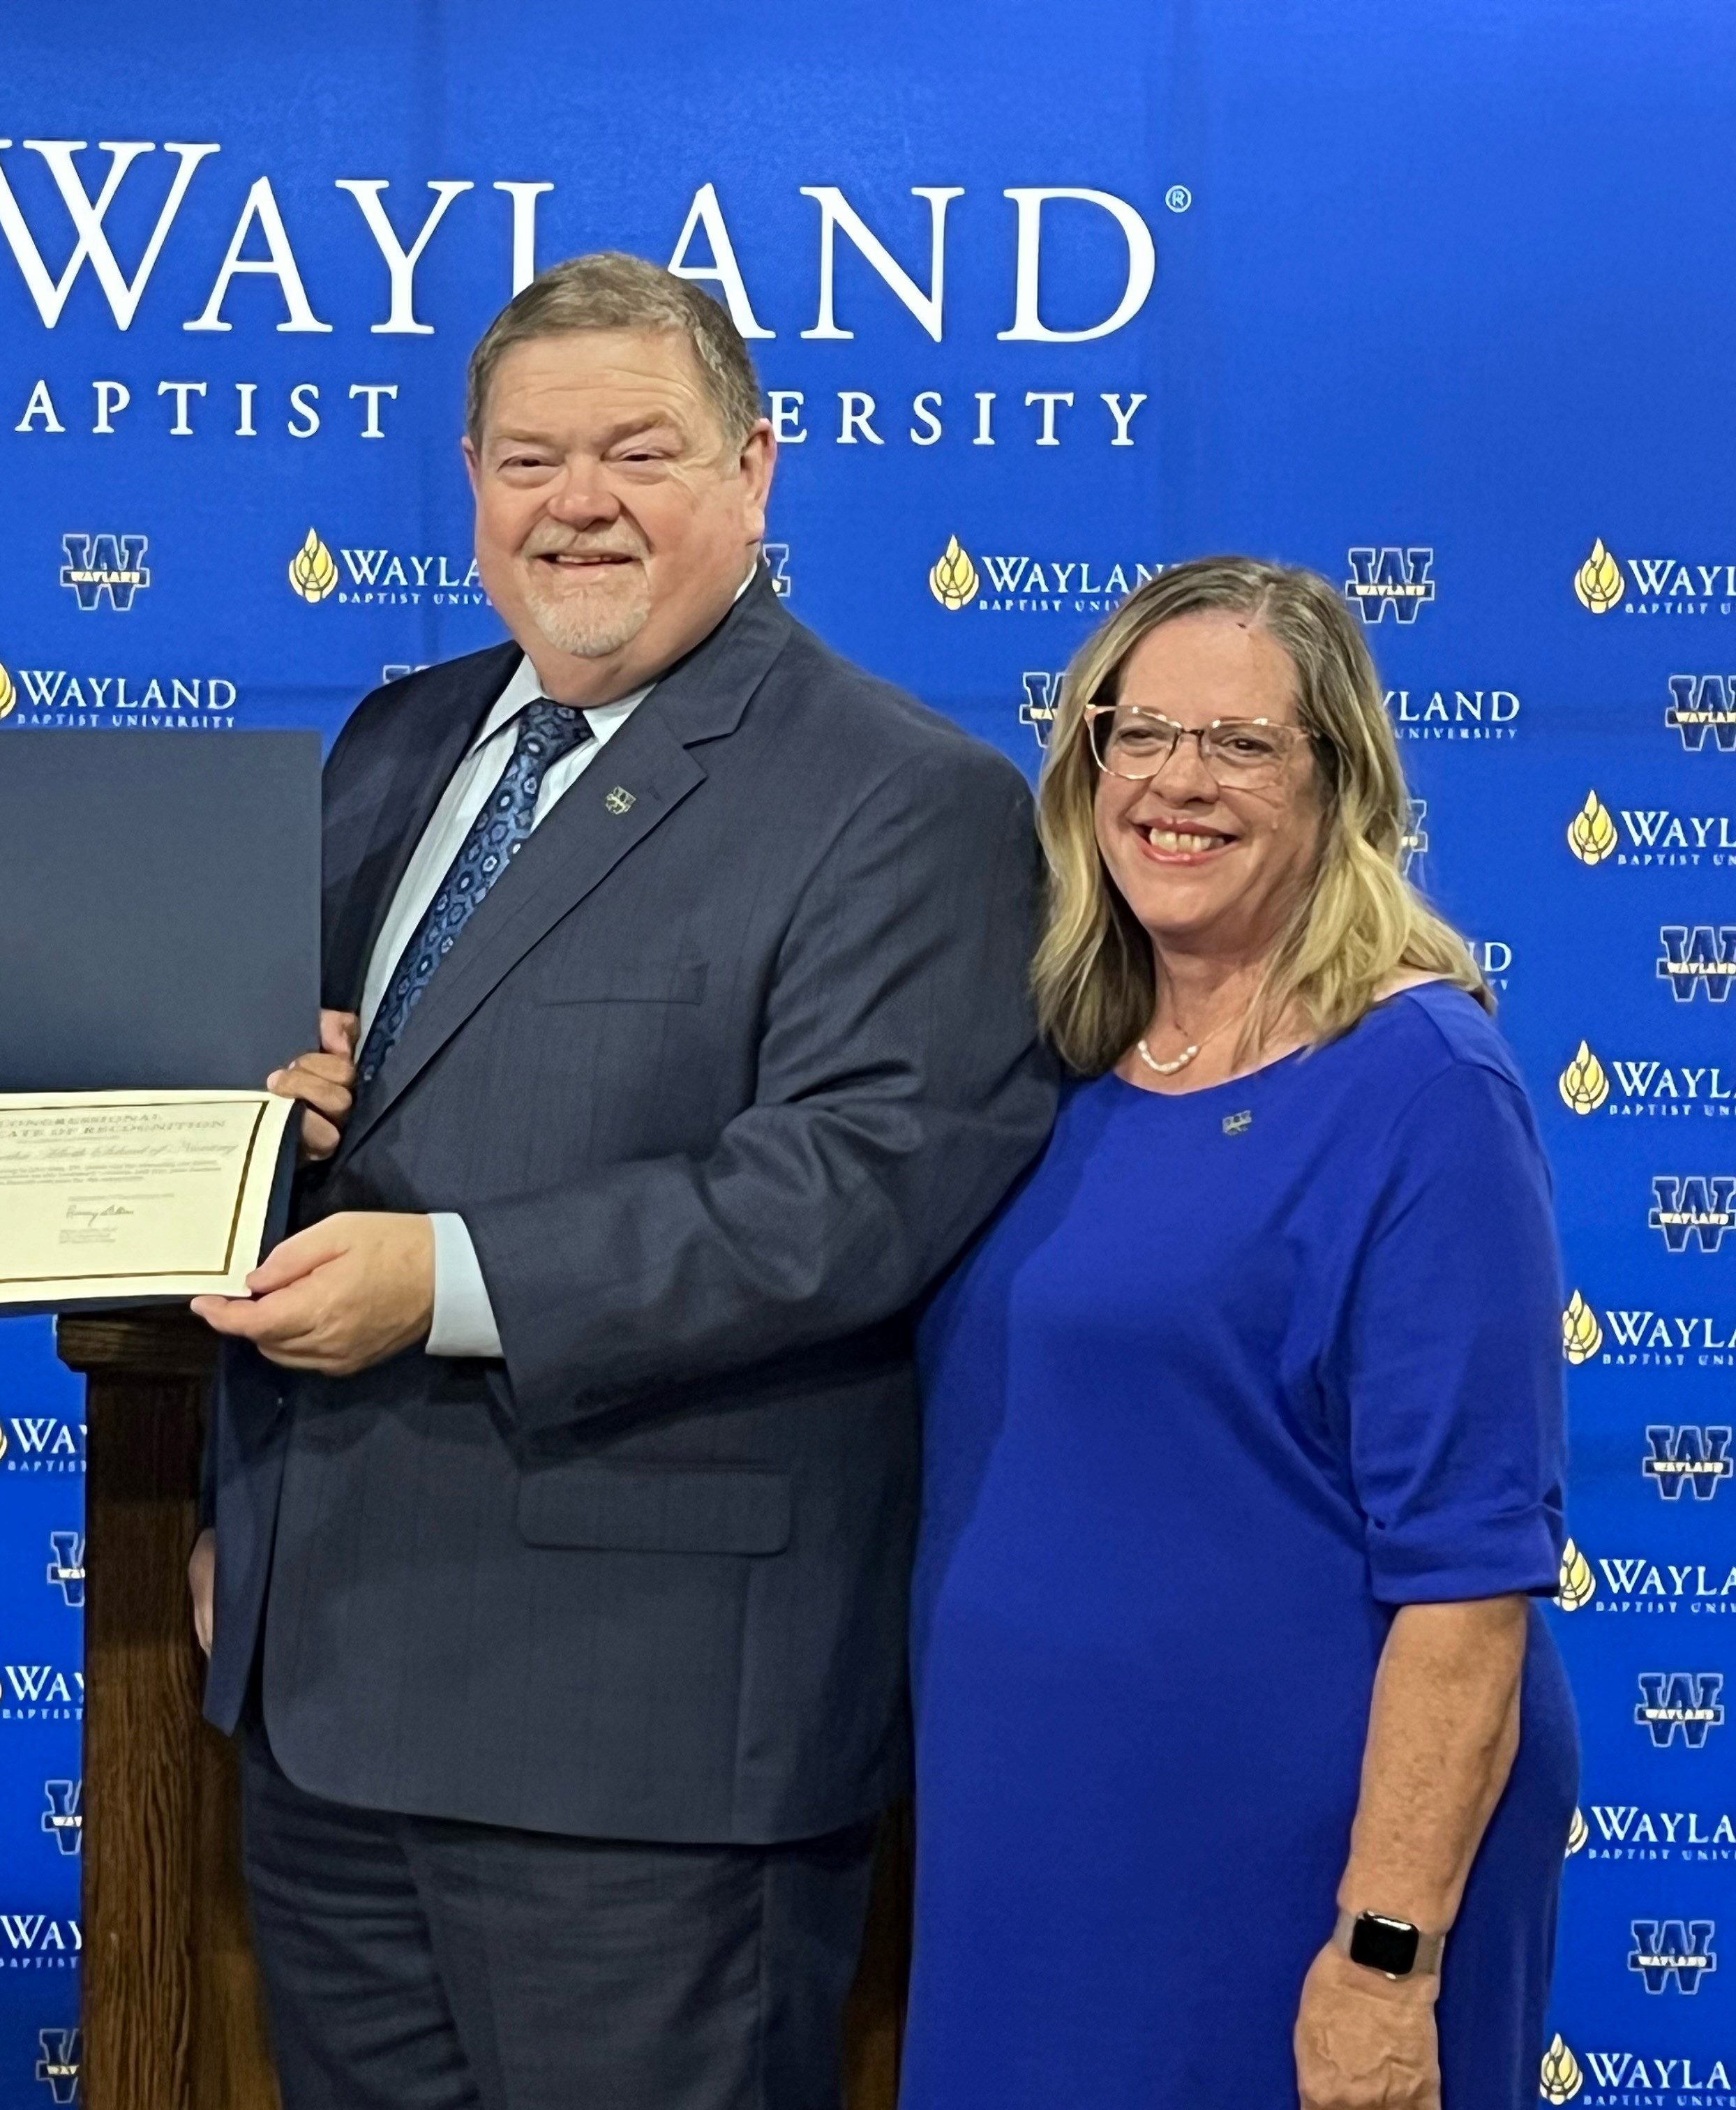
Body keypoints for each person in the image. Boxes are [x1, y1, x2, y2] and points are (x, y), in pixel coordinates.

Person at [188, 252, 1057, 2110]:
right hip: (329, 1703)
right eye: (525, 461)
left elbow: (850, 1187)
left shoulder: (909, 799)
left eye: (636, 453)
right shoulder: (400, 738)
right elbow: (331, 1112)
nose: (574, 503)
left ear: (756, 470)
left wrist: (447, 1280)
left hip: (644, 1749)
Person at [904, 557, 1578, 2110]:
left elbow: (1471, 1580)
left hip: (1295, 1883)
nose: (1177, 784)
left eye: (1241, 745)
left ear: (1340, 784)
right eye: (1137, 736)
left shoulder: (1422, 1087)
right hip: (1034, 1856)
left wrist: (1385, 1953)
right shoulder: (1049, 1052)